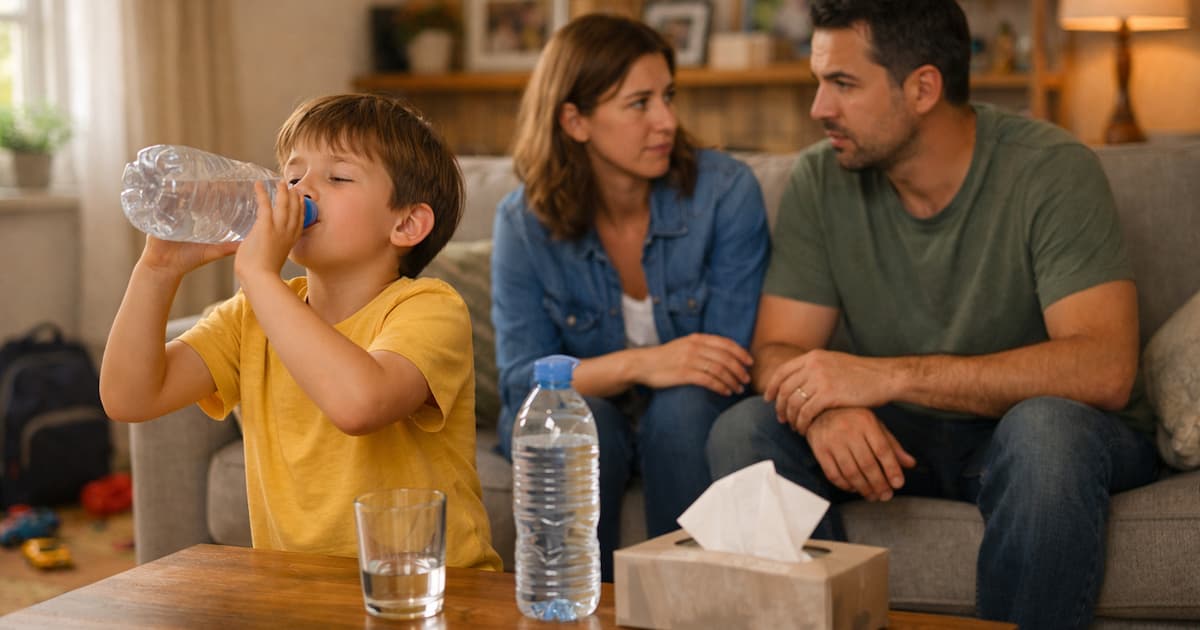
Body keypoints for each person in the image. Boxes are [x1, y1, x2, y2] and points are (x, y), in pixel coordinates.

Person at [704, 1, 1159, 628]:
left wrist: (889, 377)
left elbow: (1104, 367)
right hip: (896, 440)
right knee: (745, 429)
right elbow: (777, 351)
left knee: (1046, 432)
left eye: (842, 83)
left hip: (1029, 437)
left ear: (922, 88)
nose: (818, 109)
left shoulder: (1051, 169)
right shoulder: (820, 179)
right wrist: (826, 408)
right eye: (819, 81)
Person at [99, 93, 502, 571]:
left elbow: (359, 404)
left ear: (407, 223)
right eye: (291, 175)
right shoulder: (251, 316)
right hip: (298, 595)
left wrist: (261, 277)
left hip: (430, 592)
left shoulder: (429, 308)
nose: (299, 189)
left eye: (337, 177)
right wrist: (157, 269)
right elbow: (129, 398)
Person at [491, 13, 770, 580]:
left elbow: (722, 360)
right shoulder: (522, 223)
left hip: (691, 409)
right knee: (573, 420)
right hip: (590, 408)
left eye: (668, 96)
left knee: (684, 410)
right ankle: (573, 609)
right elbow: (523, 381)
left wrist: (654, 373)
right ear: (575, 120)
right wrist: (642, 363)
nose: (667, 120)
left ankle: (683, 609)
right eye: (640, 103)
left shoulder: (725, 192)